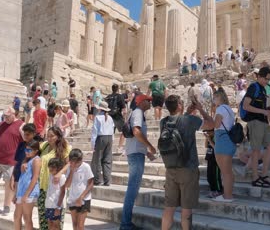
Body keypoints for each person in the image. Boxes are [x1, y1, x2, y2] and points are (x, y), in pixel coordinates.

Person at [160, 95, 214, 230]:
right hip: (188, 169)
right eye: (181, 102)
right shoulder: (190, 120)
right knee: (186, 210)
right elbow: (212, 124)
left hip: (170, 168)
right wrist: (200, 109)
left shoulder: (164, 122)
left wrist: (187, 112)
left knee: (169, 208)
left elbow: (178, 123)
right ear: (179, 105)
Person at [120, 95, 157, 230]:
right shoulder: (138, 113)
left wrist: (146, 152)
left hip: (136, 153)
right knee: (132, 189)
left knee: (133, 188)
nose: (150, 103)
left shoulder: (137, 113)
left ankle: (126, 222)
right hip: (135, 155)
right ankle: (125, 224)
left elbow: (134, 138)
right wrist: (150, 146)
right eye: (148, 101)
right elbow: (136, 131)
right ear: (141, 102)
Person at [242, 67, 270, 188]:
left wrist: (269, 110)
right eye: (266, 79)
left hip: (263, 121)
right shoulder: (254, 87)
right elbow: (246, 106)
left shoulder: (262, 89)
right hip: (255, 122)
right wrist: (264, 111)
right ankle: (255, 177)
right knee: (256, 150)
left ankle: (264, 175)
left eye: (268, 80)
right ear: (259, 76)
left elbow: (258, 106)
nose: (267, 82)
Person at [37, 127, 72, 230]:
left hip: (57, 187)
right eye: (48, 136)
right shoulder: (44, 146)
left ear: (58, 136)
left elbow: (69, 163)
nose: (49, 138)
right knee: (43, 218)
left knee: (56, 220)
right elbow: (32, 149)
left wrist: (59, 173)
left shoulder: (65, 147)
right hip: (43, 186)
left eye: (52, 136)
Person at [59, 149, 94, 230]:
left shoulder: (86, 167)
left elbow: (91, 184)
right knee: (75, 225)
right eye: (73, 162)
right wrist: (72, 171)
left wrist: (81, 197)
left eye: (77, 162)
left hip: (84, 198)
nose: (75, 164)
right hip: (72, 198)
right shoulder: (69, 168)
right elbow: (67, 185)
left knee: (80, 226)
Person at [212, 91, 236, 202]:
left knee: (225, 172)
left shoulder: (220, 109)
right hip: (229, 141)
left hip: (222, 140)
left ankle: (227, 196)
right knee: (228, 171)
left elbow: (216, 124)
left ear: (218, 97)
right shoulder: (229, 109)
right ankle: (228, 194)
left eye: (214, 97)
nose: (213, 100)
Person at [14, 140, 41, 230]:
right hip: (21, 191)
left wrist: (26, 194)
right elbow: (22, 178)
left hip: (30, 193)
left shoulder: (36, 160)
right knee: (16, 216)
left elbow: (35, 178)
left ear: (36, 151)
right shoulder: (26, 160)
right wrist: (16, 194)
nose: (26, 152)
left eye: (29, 150)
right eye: (26, 150)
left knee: (27, 218)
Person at [9, 123, 36, 210]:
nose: (26, 136)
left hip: (27, 180)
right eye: (24, 134)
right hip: (18, 178)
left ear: (33, 134)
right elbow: (16, 162)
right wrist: (12, 177)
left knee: (24, 213)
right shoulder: (21, 145)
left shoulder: (36, 146)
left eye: (28, 134)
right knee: (17, 211)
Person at [90, 101, 114, 186]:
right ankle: (107, 180)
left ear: (99, 109)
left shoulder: (97, 117)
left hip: (101, 138)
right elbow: (112, 129)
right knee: (107, 159)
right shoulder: (110, 118)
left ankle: (97, 180)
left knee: (97, 159)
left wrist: (93, 144)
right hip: (109, 138)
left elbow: (94, 131)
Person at [44, 158, 67, 230]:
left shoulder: (62, 177)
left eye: (53, 167)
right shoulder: (50, 176)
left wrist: (58, 207)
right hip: (49, 204)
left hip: (57, 205)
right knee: (50, 223)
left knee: (56, 225)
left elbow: (63, 192)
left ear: (58, 167)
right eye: (50, 166)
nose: (50, 168)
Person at [105, 84, 126, 154]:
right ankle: (119, 148)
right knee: (124, 131)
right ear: (117, 89)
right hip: (117, 116)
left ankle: (108, 149)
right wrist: (124, 118)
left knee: (110, 133)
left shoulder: (108, 97)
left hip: (109, 116)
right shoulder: (120, 96)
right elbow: (124, 109)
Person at [203, 129, 223, 198]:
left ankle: (219, 190)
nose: (207, 133)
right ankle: (213, 190)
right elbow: (206, 146)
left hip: (216, 159)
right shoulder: (210, 138)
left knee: (216, 176)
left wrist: (209, 139)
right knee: (209, 176)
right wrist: (207, 138)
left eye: (209, 131)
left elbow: (216, 147)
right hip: (210, 158)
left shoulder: (216, 137)